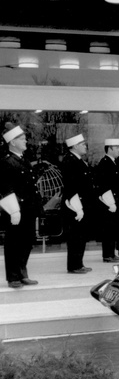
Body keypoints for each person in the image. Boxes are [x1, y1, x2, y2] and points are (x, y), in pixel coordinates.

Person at [0, 123, 42, 288]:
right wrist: (14, 210)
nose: (26, 141)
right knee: (14, 243)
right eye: (22, 139)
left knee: (26, 242)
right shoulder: (7, 162)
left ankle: (22, 273)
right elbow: (6, 188)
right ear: (12, 142)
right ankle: (13, 277)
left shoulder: (23, 160)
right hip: (16, 210)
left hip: (28, 209)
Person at [60, 133, 95, 274]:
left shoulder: (78, 160)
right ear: (74, 146)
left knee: (81, 236)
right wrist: (78, 208)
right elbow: (71, 187)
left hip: (81, 204)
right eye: (82, 144)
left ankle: (79, 263)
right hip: (74, 205)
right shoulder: (70, 161)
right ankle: (74, 266)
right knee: (75, 236)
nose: (85, 146)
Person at [94, 138, 119, 262]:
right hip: (109, 203)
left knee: (113, 229)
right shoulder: (105, 163)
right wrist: (111, 203)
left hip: (115, 201)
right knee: (108, 229)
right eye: (117, 148)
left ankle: (111, 254)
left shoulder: (113, 162)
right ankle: (108, 255)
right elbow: (104, 185)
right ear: (109, 149)